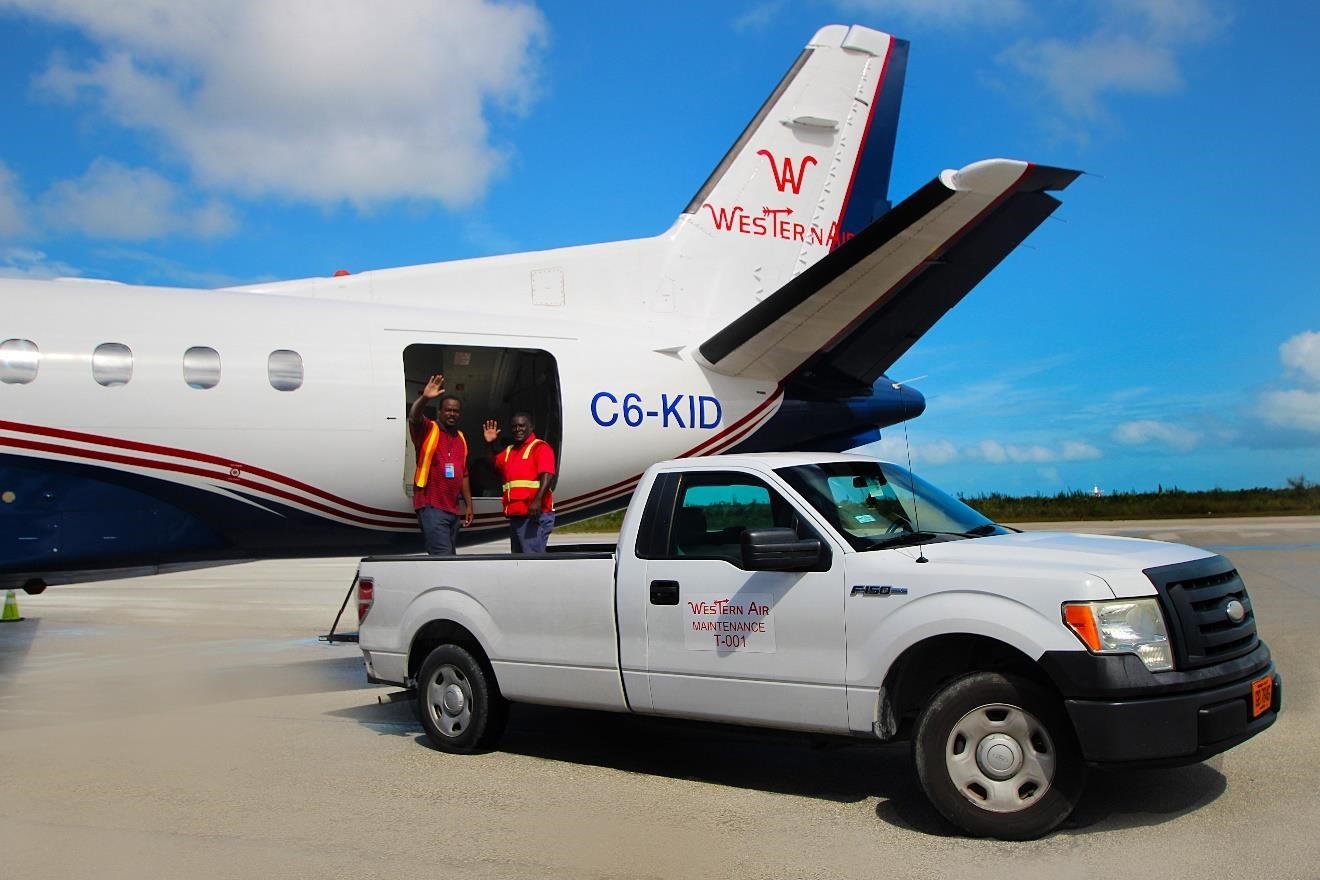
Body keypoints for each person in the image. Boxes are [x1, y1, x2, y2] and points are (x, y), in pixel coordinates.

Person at [409, 374, 473, 555]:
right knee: (442, 556)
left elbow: (464, 474)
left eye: (456, 411)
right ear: (439, 412)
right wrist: (424, 398)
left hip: (452, 509)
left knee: (448, 556)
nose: (452, 414)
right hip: (432, 506)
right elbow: (414, 417)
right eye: (448, 410)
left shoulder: (460, 438)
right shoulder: (428, 429)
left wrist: (468, 505)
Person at [483, 412, 556, 553]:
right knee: (518, 561)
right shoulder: (510, 451)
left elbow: (548, 474)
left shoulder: (540, 447)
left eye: (522, 426)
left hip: (534, 516)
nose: (518, 429)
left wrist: (537, 500)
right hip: (517, 515)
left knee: (531, 562)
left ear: (531, 427)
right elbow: (492, 464)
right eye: (514, 426)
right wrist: (489, 444)